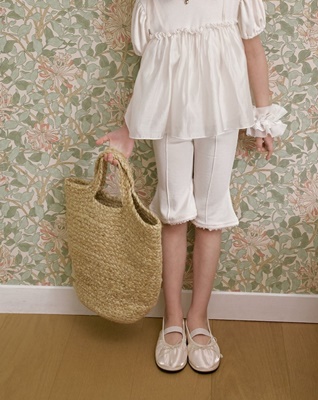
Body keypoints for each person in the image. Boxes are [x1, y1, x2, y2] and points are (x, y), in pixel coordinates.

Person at [96, 0, 286, 373]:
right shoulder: (152, 5)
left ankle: (198, 316)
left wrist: (263, 118)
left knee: (211, 216)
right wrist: (130, 128)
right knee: (173, 213)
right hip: (170, 117)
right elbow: (151, 71)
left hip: (222, 114)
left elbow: (253, 51)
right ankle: (171, 316)